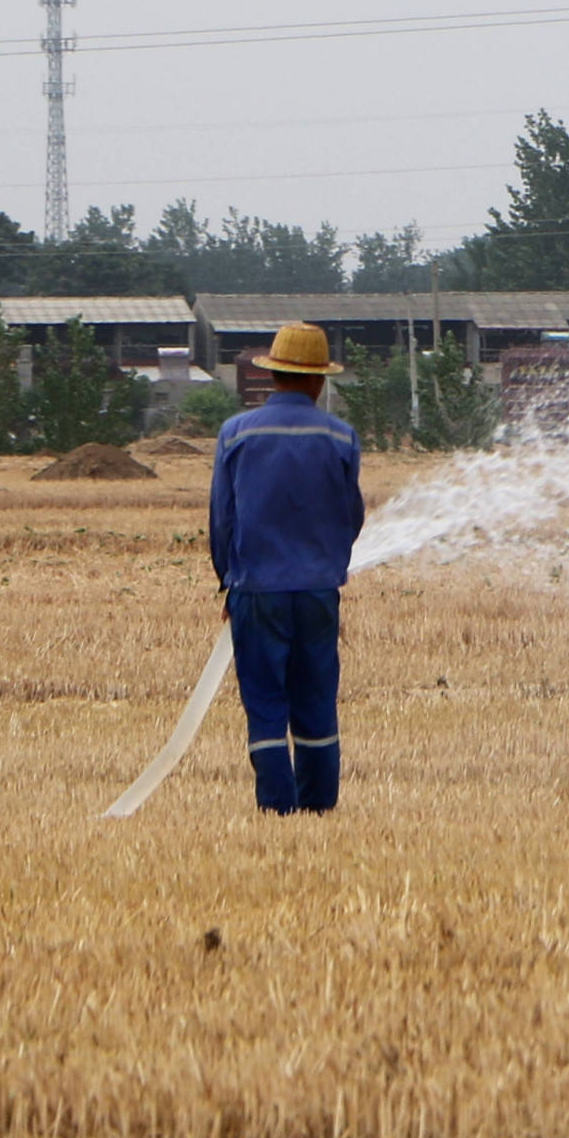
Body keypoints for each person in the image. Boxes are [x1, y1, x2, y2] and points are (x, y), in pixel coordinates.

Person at [209, 323, 363, 814]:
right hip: (318, 592)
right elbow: (351, 516)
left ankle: (278, 809)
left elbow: (223, 519)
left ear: (273, 375)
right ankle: (319, 807)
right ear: (320, 381)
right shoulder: (341, 436)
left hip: (257, 591)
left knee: (266, 704)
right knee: (316, 700)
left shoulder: (236, 433)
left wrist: (227, 583)